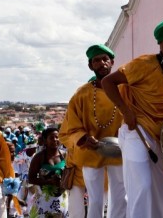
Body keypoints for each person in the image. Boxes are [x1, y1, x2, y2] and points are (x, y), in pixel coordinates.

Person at [102, 18, 163, 218]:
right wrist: (126, 111)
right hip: (137, 130)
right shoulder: (143, 65)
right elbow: (108, 81)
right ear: (161, 42)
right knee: (141, 185)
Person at [59, 44, 126, 218]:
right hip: (91, 151)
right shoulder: (81, 94)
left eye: (105, 59)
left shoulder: (125, 90)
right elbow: (70, 127)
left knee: (120, 197)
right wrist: (83, 138)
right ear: (90, 66)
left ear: (112, 62)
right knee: (95, 200)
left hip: (119, 151)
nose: (102, 63)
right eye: (96, 60)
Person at [27, 128, 69, 217]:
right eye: (51, 138)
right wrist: (48, 182)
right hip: (44, 201)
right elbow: (31, 179)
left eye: (57, 137)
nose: (55, 140)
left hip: (62, 199)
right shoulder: (38, 157)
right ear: (45, 141)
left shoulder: (65, 155)